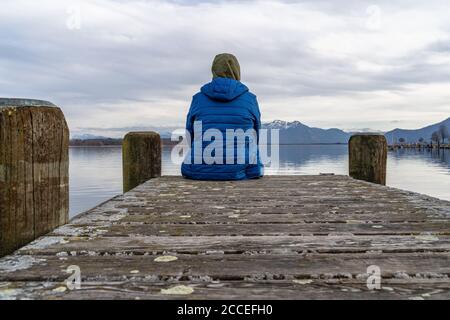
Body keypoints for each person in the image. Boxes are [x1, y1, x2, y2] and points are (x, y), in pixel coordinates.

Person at [181, 53, 264, 180]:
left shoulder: (197, 99)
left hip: (198, 170)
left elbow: (190, 134)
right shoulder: (250, 99)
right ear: (237, 71)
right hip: (240, 170)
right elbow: (255, 135)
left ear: (214, 70)